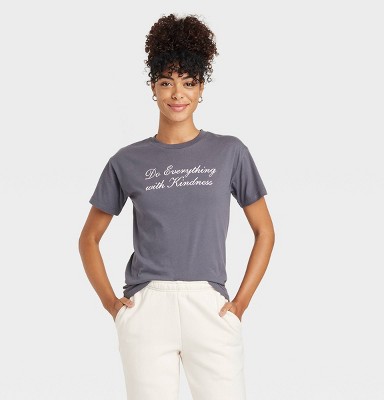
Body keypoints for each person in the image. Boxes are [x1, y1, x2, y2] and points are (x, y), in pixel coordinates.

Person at [79, 12, 275, 400]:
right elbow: (89, 239)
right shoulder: (126, 160)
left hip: (211, 306)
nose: (177, 94)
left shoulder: (229, 152)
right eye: (167, 82)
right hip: (147, 307)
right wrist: (113, 306)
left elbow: (264, 231)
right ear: (153, 87)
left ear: (201, 88)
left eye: (188, 82)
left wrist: (240, 304)